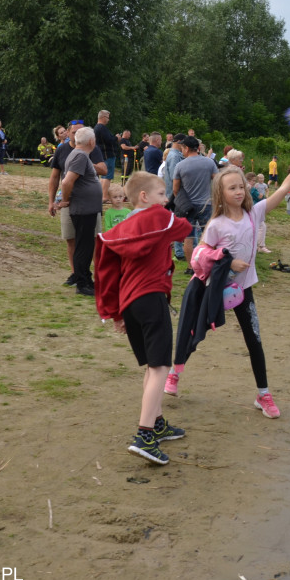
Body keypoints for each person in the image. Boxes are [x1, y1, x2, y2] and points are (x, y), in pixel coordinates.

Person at [166, 136, 290, 417]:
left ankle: (264, 395)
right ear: (220, 194)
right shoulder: (216, 224)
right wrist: (226, 260)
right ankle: (175, 373)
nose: (238, 191)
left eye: (241, 187)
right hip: (212, 289)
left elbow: (284, 187)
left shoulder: (254, 214)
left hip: (242, 291)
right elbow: (199, 256)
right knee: (194, 332)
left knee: (254, 340)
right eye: (231, 188)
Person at [94, 171, 192, 466]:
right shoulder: (158, 218)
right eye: (162, 194)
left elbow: (109, 272)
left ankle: (157, 422)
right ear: (145, 197)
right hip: (151, 298)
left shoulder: (120, 229)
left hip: (130, 302)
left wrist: (115, 313)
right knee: (161, 366)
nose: (166, 200)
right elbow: (184, 227)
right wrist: (167, 213)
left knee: (151, 365)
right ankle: (144, 434)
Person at [47, 123, 107, 290]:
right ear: (91, 142)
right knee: (83, 247)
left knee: (85, 245)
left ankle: (86, 279)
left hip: (86, 208)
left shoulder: (78, 154)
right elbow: (66, 182)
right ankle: (82, 283)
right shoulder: (80, 156)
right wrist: (65, 200)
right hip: (83, 208)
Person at [172, 135, 219, 269]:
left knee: (189, 238)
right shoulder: (209, 162)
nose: (181, 151)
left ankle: (191, 267)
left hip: (188, 207)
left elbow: (175, 189)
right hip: (206, 204)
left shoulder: (180, 165)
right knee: (209, 237)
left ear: (187, 148)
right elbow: (217, 181)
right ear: (198, 148)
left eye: (182, 148)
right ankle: (211, 265)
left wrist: (181, 201)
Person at [94, 110, 117, 203]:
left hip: (101, 154)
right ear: (103, 117)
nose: (108, 120)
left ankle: (102, 195)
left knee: (104, 176)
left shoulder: (96, 128)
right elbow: (109, 140)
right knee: (107, 176)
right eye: (107, 117)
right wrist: (116, 138)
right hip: (108, 154)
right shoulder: (102, 128)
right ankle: (104, 197)